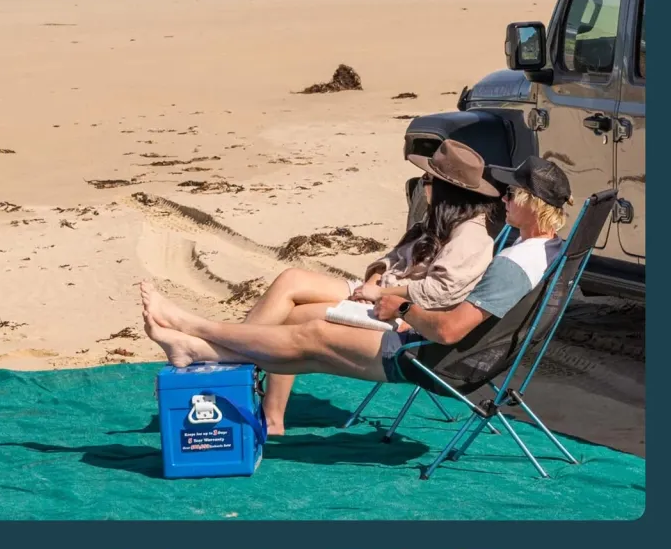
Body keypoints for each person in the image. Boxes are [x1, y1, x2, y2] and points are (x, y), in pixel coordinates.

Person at [141, 156, 573, 405]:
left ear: (532, 205)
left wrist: (399, 306)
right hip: (451, 353)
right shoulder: (547, 252)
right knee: (306, 335)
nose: (503, 199)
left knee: (308, 333)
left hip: (428, 357)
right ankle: (198, 348)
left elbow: (449, 328)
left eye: (513, 195)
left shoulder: (513, 264)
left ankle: (194, 331)